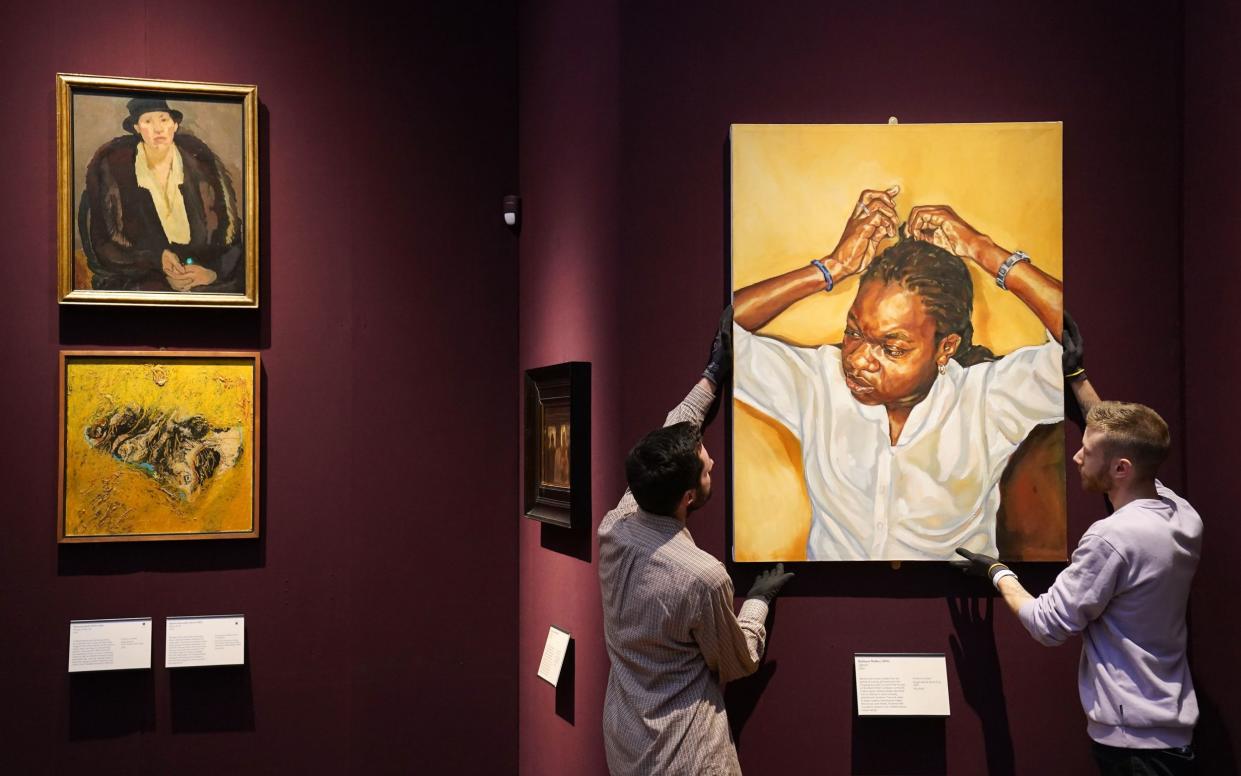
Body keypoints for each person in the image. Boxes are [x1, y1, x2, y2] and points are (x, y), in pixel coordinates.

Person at [733, 186, 1065, 560]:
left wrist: (982, 249)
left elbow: (1076, 343)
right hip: (832, 597)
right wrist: (831, 268)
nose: (858, 360)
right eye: (853, 332)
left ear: (946, 348)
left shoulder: (988, 399)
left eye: (891, 349)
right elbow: (723, 337)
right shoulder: (817, 383)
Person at [955, 316, 1201, 774]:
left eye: (1088, 451)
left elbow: (1047, 624)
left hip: (1131, 745)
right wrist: (1077, 378)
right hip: (1170, 733)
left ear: (1121, 469)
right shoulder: (1182, 516)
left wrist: (997, 573)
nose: (1077, 455)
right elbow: (1127, 442)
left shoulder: (1112, 538)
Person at [598, 312, 793, 776]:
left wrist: (711, 375)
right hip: (687, 758)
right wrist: (759, 602)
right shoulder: (701, 576)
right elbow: (737, 660)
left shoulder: (616, 525)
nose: (713, 464)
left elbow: (676, 427)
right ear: (689, 497)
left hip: (626, 743)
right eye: (706, 468)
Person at [81, 97, 244, 293]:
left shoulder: (203, 169)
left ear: (175, 125)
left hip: (202, 274)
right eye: (148, 121)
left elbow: (231, 241)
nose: (158, 129)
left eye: (164, 120)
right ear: (136, 128)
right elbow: (104, 247)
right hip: (143, 277)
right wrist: (157, 259)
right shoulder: (115, 173)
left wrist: (212, 273)